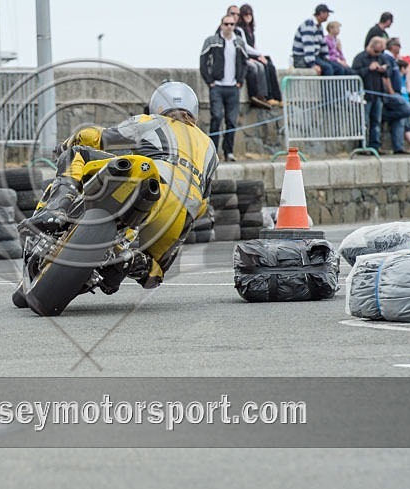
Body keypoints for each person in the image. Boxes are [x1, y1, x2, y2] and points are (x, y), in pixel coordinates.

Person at [21, 81, 219, 290]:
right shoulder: (210, 148)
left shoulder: (152, 121)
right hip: (183, 211)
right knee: (154, 272)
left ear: (159, 106)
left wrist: (68, 143)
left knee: (76, 154)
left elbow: (98, 138)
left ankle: (57, 210)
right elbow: (204, 203)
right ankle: (129, 261)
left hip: (154, 181)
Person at [200, 14, 248, 161]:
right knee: (216, 117)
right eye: (226, 24)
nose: (229, 27)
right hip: (217, 87)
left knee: (231, 121)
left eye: (232, 24)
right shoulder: (211, 41)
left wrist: (240, 81)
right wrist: (210, 82)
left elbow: (245, 63)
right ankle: (213, 153)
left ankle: (229, 152)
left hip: (233, 87)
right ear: (221, 25)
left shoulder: (239, 42)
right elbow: (203, 62)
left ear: (235, 26)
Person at [237, 3, 283, 105]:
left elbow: (254, 45)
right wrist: (259, 54)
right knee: (263, 66)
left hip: (253, 53)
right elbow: (245, 46)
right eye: (246, 14)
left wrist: (259, 54)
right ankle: (267, 96)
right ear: (242, 16)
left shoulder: (251, 29)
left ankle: (278, 97)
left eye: (250, 14)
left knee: (270, 64)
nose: (248, 16)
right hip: (248, 55)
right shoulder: (240, 29)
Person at [226, 5, 270, 109]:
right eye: (233, 13)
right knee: (253, 67)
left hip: (241, 59)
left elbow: (243, 46)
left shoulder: (239, 30)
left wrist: (258, 55)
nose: (235, 16)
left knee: (259, 66)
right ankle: (254, 96)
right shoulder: (224, 28)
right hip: (233, 64)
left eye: (237, 14)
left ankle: (261, 95)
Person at [352, 37, 390, 153]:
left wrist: (383, 70)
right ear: (372, 46)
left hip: (378, 95)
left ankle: (375, 146)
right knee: (364, 122)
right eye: (377, 50)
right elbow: (354, 73)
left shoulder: (381, 58)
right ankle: (362, 146)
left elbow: (389, 73)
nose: (378, 53)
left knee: (376, 122)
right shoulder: (360, 58)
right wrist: (368, 68)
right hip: (365, 95)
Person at [381, 38, 410, 154]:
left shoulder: (394, 60)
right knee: (409, 110)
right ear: (393, 47)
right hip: (392, 94)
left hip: (397, 92)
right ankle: (385, 116)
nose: (400, 48)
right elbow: (386, 76)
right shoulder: (387, 58)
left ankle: (398, 147)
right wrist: (391, 92)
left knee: (399, 120)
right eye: (398, 46)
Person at [292, 4, 344, 76]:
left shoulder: (319, 26)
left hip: (316, 56)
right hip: (302, 57)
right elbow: (308, 47)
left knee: (339, 68)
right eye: (327, 13)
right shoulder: (309, 25)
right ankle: (326, 87)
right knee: (328, 68)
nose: (328, 15)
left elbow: (323, 44)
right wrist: (312, 64)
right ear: (321, 13)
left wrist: (326, 58)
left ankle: (338, 87)